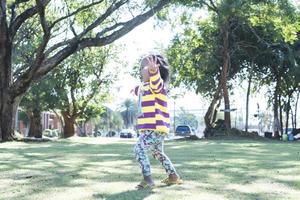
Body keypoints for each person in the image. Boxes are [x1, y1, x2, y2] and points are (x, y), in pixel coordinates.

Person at [132, 54, 183, 189]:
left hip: (153, 127)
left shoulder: (157, 85)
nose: (142, 70)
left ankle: (147, 179)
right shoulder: (146, 86)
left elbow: (155, 81)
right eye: (142, 67)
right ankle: (173, 176)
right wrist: (136, 89)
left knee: (139, 149)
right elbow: (143, 88)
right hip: (156, 128)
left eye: (145, 67)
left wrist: (154, 71)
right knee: (158, 153)